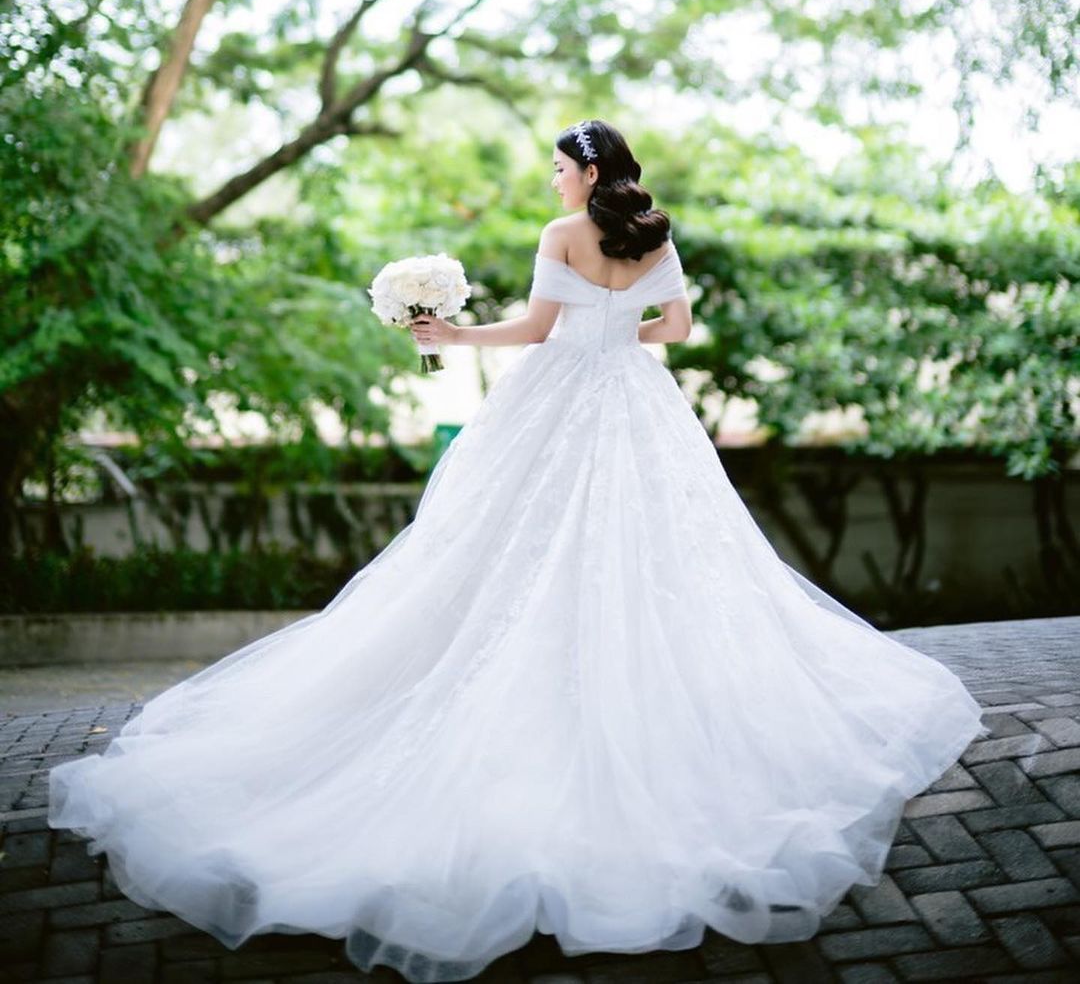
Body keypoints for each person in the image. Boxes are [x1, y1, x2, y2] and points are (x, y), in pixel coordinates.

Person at [47, 118, 989, 983]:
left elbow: (536, 330)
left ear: (587, 172)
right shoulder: (653, 233)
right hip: (635, 400)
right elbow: (681, 329)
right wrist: (621, 331)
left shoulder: (560, 236)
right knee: (655, 557)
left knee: (496, 549)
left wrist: (455, 334)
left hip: (560, 395)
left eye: (557, 165)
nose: (551, 178)